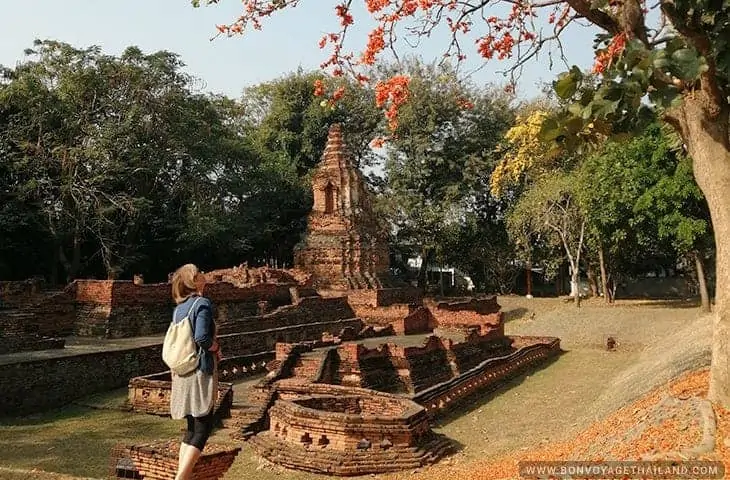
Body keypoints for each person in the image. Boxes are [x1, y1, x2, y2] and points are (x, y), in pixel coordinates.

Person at [169, 263, 222, 480]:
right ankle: (181, 478)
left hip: (183, 370)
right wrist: (216, 348)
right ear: (193, 280)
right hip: (199, 369)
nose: (204, 275)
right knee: (203, 426)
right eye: (199, 273)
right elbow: (201, 338)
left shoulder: (179, 307)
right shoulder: (202, 304)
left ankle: (184, 473)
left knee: (192, 426)